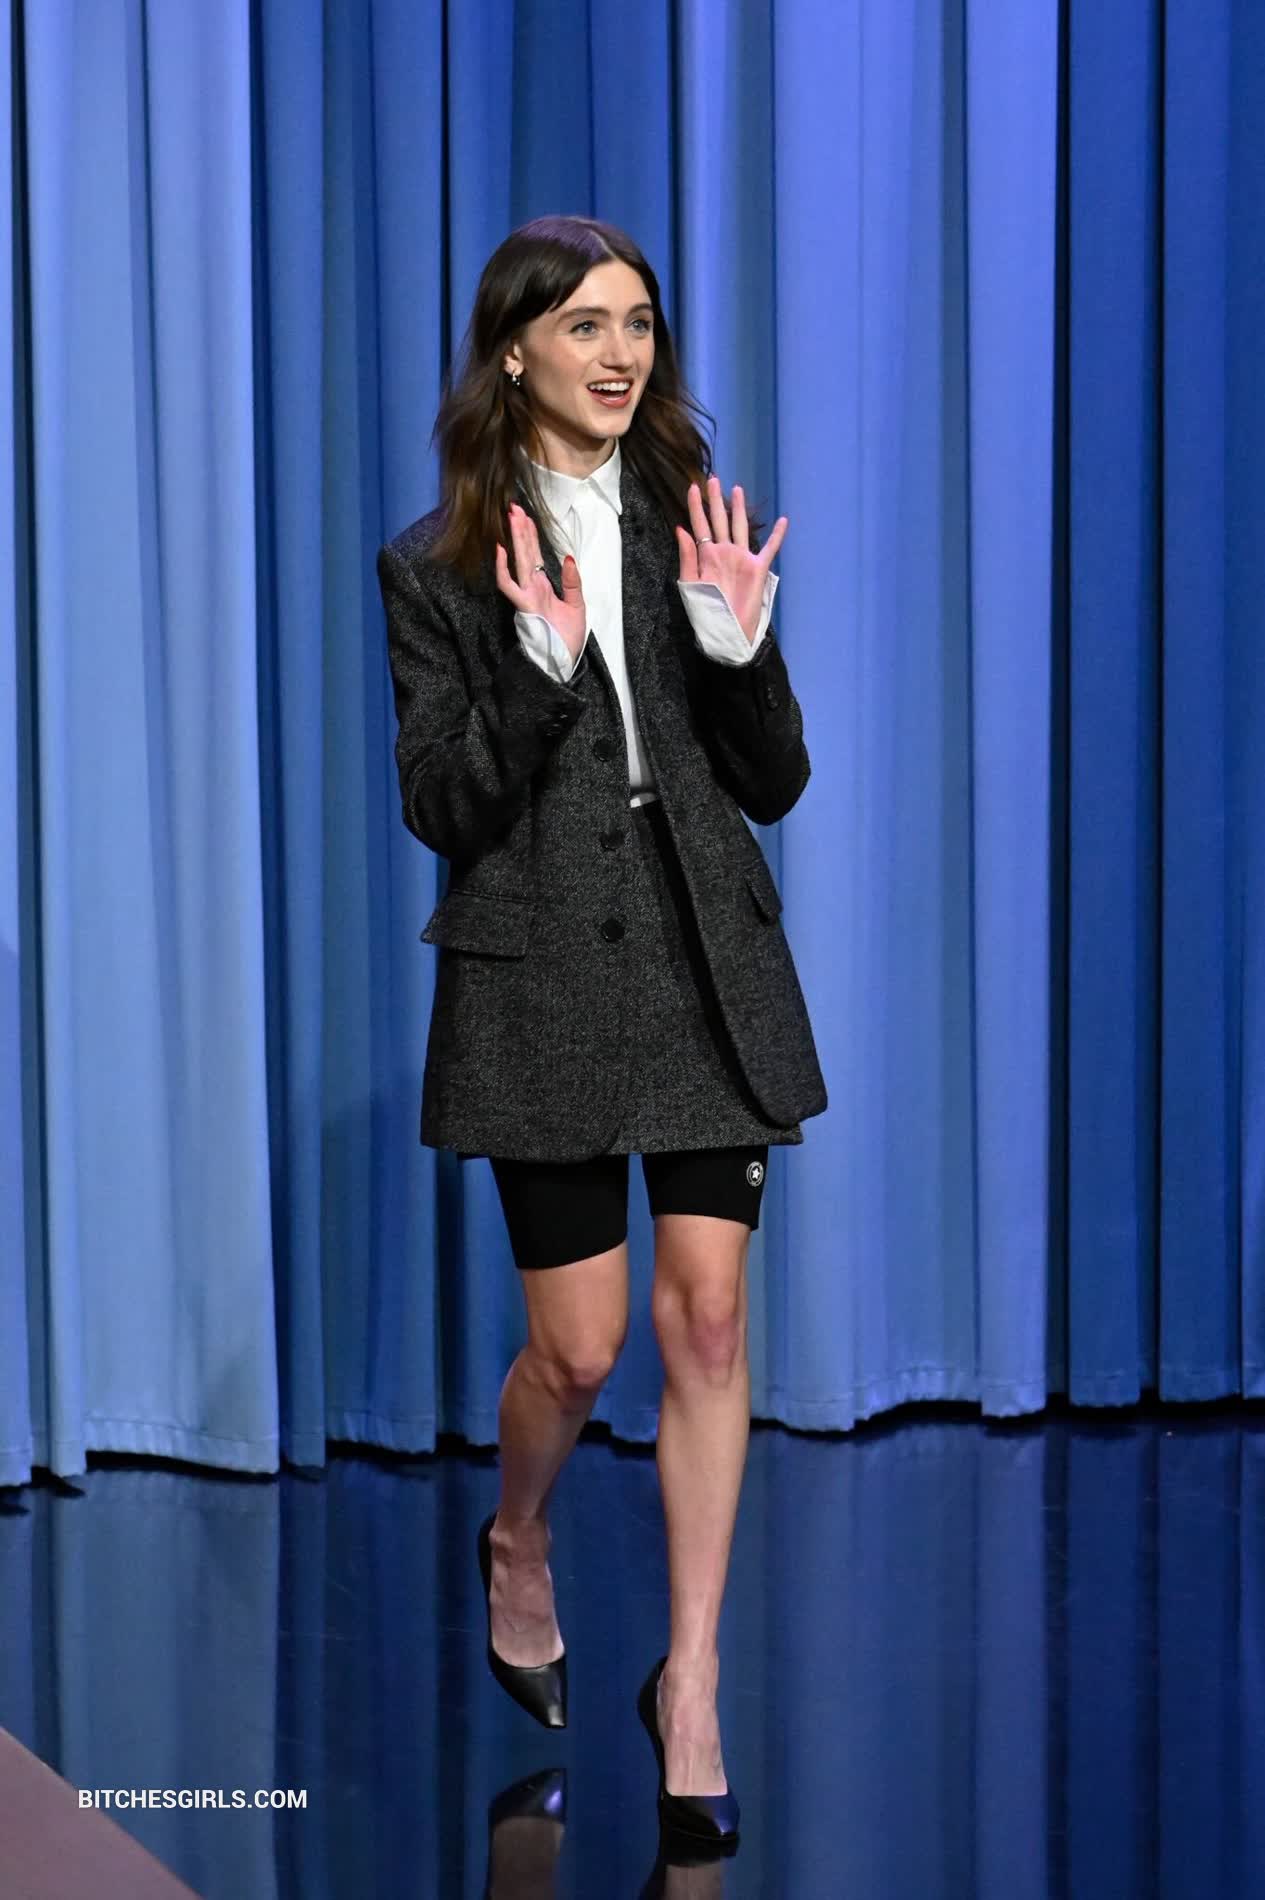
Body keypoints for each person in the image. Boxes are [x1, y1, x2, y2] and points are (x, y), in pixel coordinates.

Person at [377, 215, 826, 1846]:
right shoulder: (436, 562)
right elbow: (443, 806)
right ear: (515, 350)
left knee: (704, 1324)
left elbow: (771, 781)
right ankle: (518, 1537)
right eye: (583, 324)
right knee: (579, 1350)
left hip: (705, 961)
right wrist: (536, 671)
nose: (619, 352)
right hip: (543, 978)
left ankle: (688, 1682)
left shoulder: (690, 515)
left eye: (636, 322)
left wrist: (737, 645)